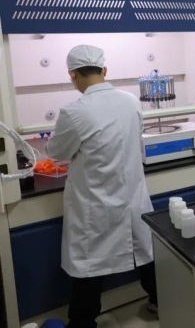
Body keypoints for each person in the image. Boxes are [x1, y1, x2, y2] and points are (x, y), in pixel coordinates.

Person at [46, 45, 158, 328]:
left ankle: (83, 323)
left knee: (89, 267)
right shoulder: (130, 101)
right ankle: (161, 300)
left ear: (72, 74)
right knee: (145, 252)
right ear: (104, 70)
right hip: (131, 197)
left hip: (96, 206)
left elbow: (56, 152)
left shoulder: (75, 112)